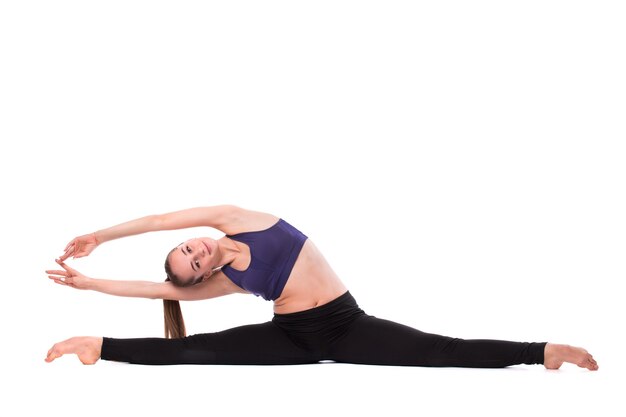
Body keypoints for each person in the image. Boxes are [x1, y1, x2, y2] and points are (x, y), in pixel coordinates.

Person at [45, 205, 598, 370]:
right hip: (293, 337)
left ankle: (543, 353)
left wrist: (100, 235)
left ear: (199, 239)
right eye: (191, 265)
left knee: (437, 350)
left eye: (189, 248)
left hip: (345, 325)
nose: (194, 253)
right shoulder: (228, 282)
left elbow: (161, 221)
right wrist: (91, 286)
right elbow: (153, 290)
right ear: (203, 277)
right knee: (194, 352)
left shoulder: (237, 219)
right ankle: (97, 348)